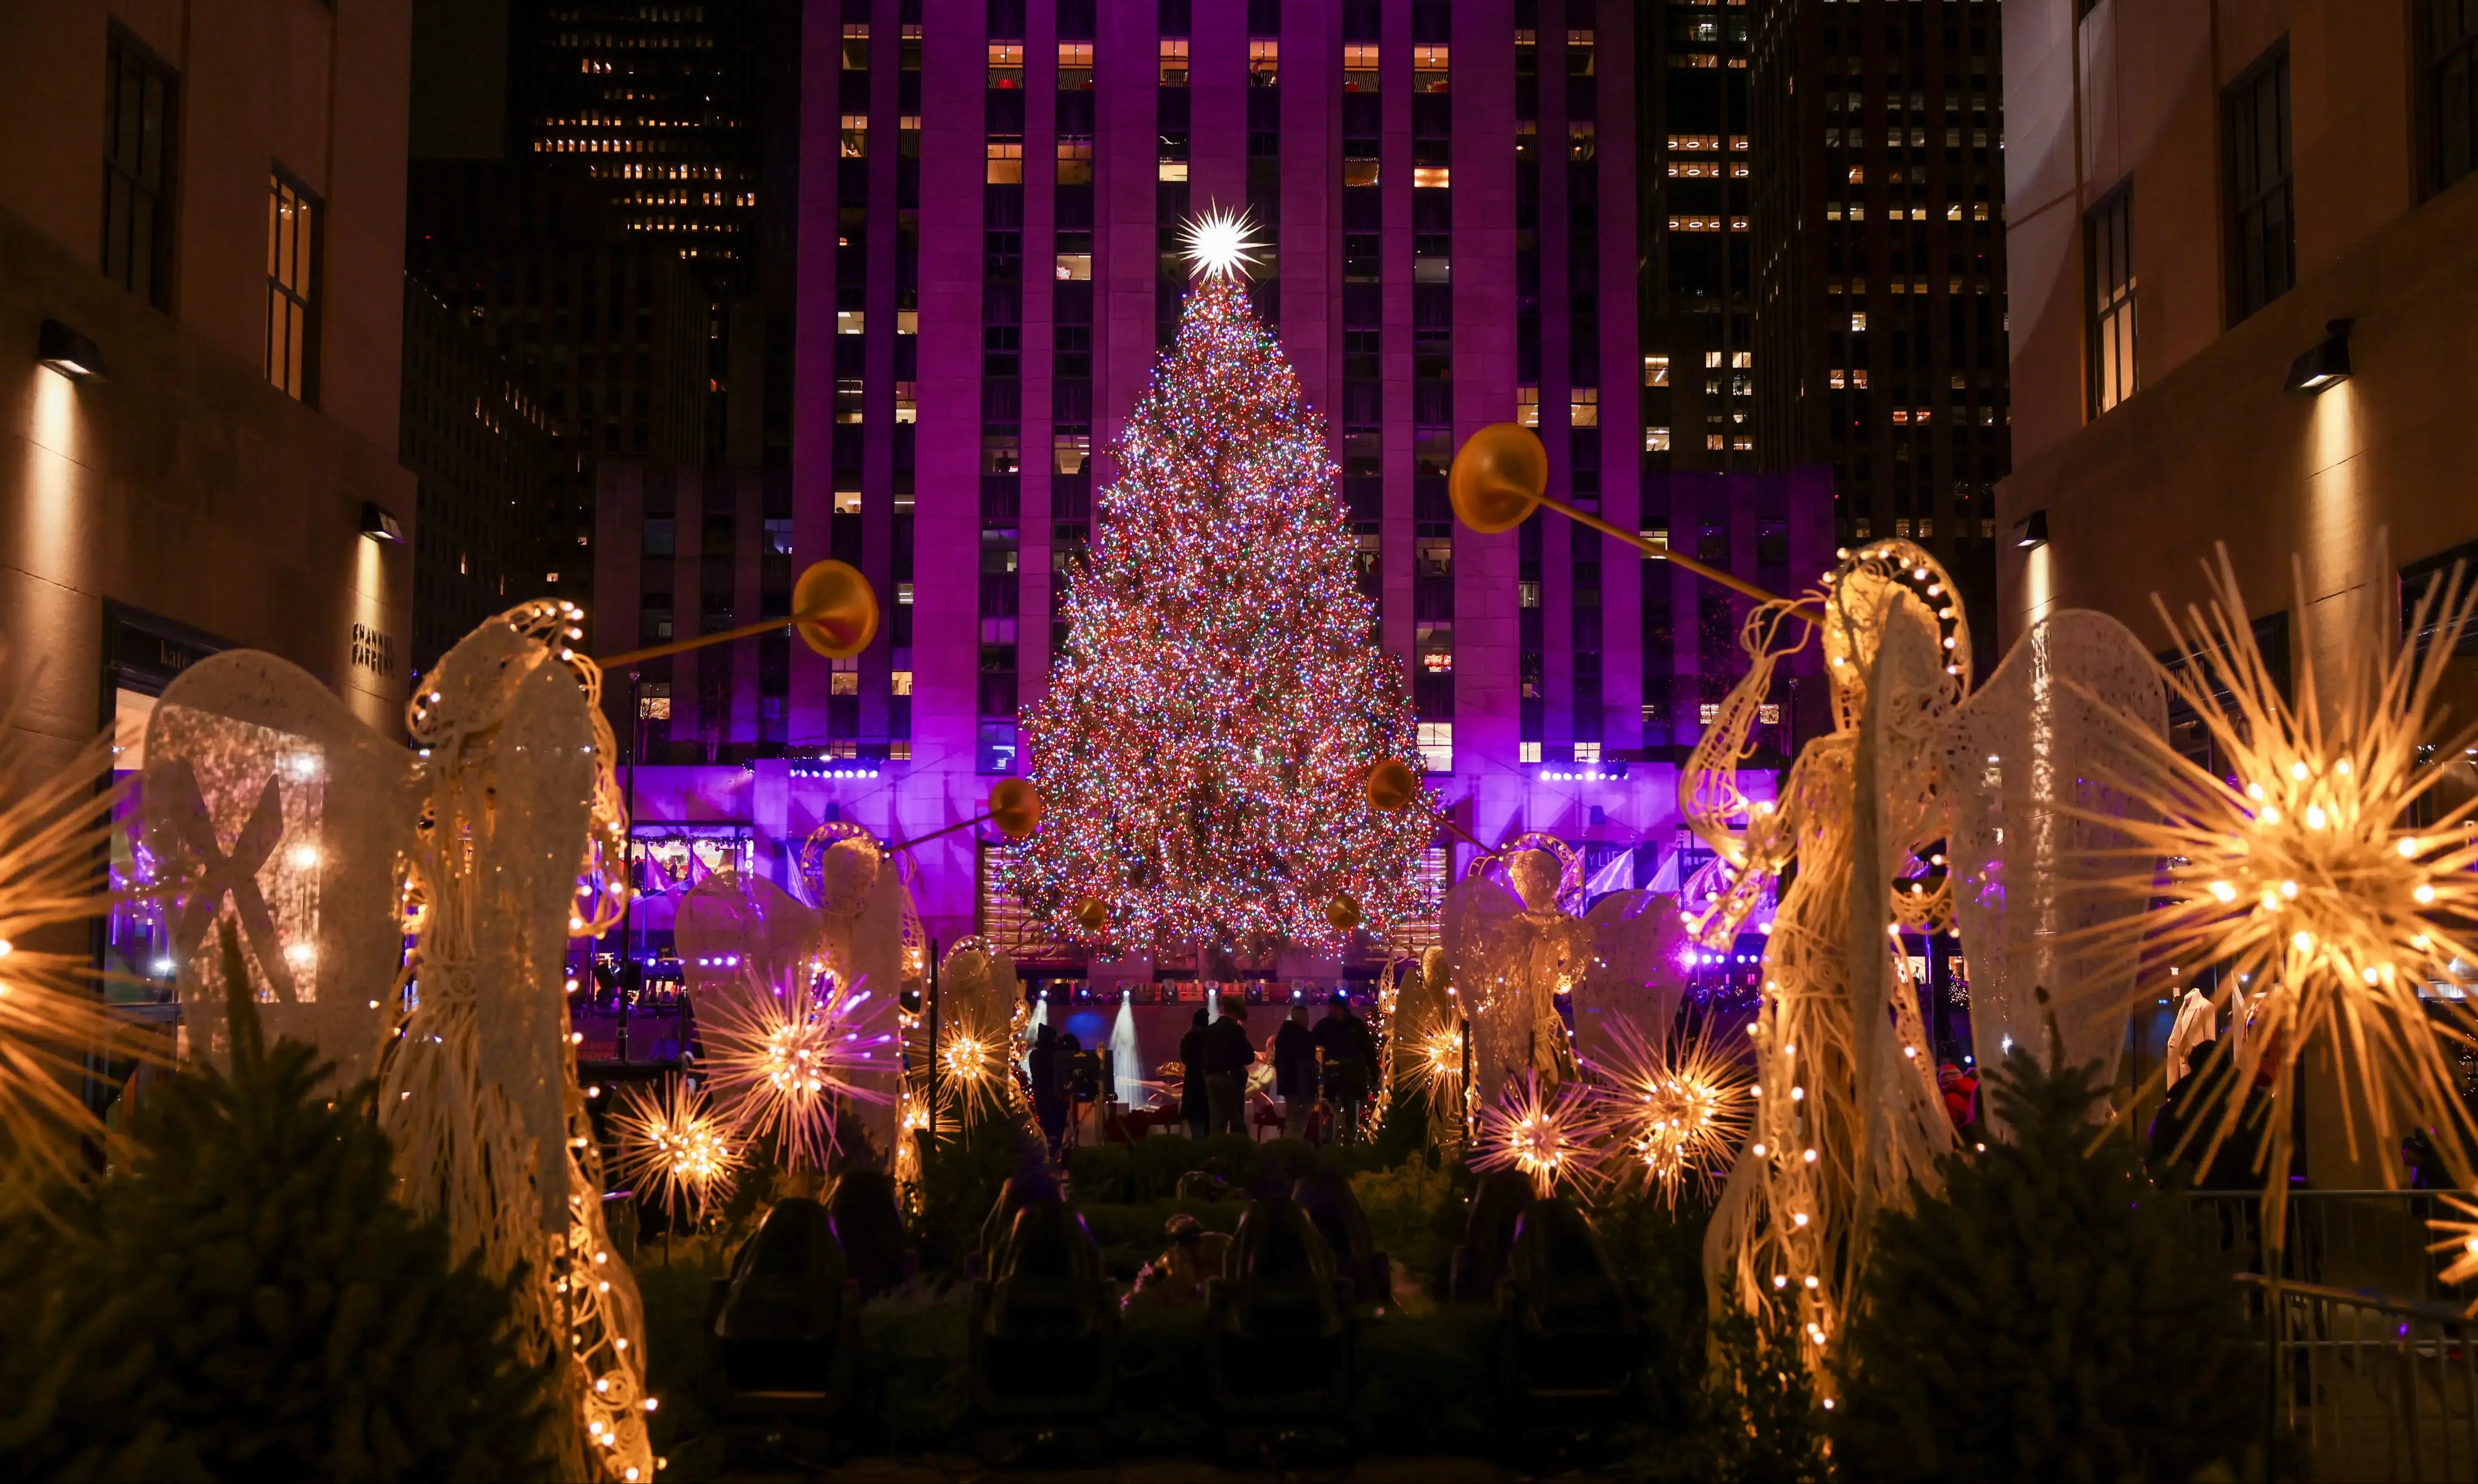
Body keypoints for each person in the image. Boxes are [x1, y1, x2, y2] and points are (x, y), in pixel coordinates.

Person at [1312, 992, 1377, 1144]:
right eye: (1330, 1007)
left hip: (1352, 1078)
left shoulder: (1356, 1026)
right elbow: (1313, 1048)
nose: (1331, 1010)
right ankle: (1330, 1142)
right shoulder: (1324, 1026)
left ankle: (1350, 1143)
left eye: (1334, 1007)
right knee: (1330, 1112)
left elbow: (1368, 1050)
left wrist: (1374, 1074)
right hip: (1331, 1078)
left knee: (1351, 1114)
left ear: (1341, 1008)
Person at [1205, 997, 1256, 1136]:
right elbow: (1250, 1056)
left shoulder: (1210, 1030)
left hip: (1212, 1079)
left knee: (1217, 1122)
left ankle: (1215, 1154)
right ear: (1237, 1012)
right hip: (1232, 1079)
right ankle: (1236, 1153)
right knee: (1236, 1120)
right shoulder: (1237, 1031)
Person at [1274, 1003, 1320, 1141]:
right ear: (1304, 1018)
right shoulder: (1305, 1039)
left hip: (1288, 1086)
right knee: (1298, 1121)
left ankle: (1290, 1150)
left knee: (1292, 1120)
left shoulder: (1283, 1038)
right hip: (1301, 1087)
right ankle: (1292, 1149)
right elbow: (1306, 1065)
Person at [1029, 1023, 1067, 1159]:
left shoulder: (1034, 1055)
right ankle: (1055, 1156)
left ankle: (1047, 1156)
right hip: (1055, 1099)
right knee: (1057, 1131)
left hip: (1040, 1098)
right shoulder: (1055, 1056)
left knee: (1046, 1129)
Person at [1178, 1008, 1211, 1138]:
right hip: (1207, 1081)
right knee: (1209, 1121)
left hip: (1192, 1081)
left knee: (1195, 1122)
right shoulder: (1211, 1037)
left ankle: (1198, 1150)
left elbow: (1184, 1059)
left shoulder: (1188, 1037)